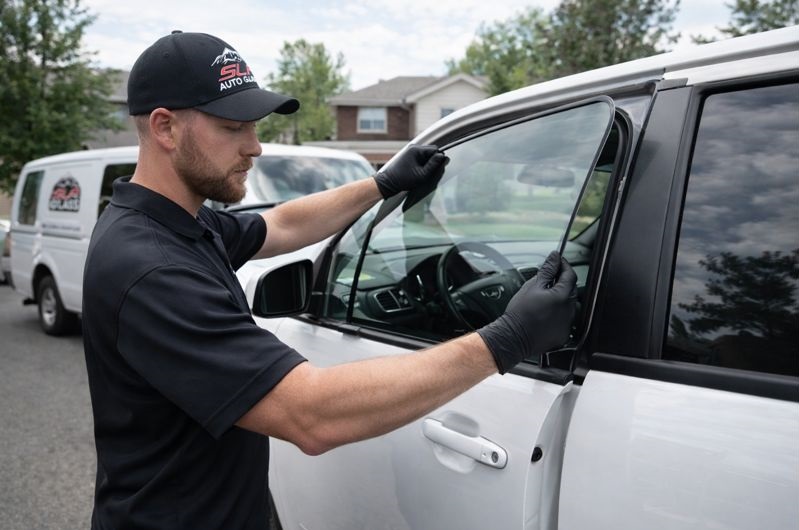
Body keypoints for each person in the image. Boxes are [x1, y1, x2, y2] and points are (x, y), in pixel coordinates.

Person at [81, 31, 577, 530]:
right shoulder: (152, 267)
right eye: (234, 127)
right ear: (165, 128)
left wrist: (381, 184)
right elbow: (312, 414)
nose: (254, 146)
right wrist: (505, 340)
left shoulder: (179, 221)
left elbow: (281, 226)